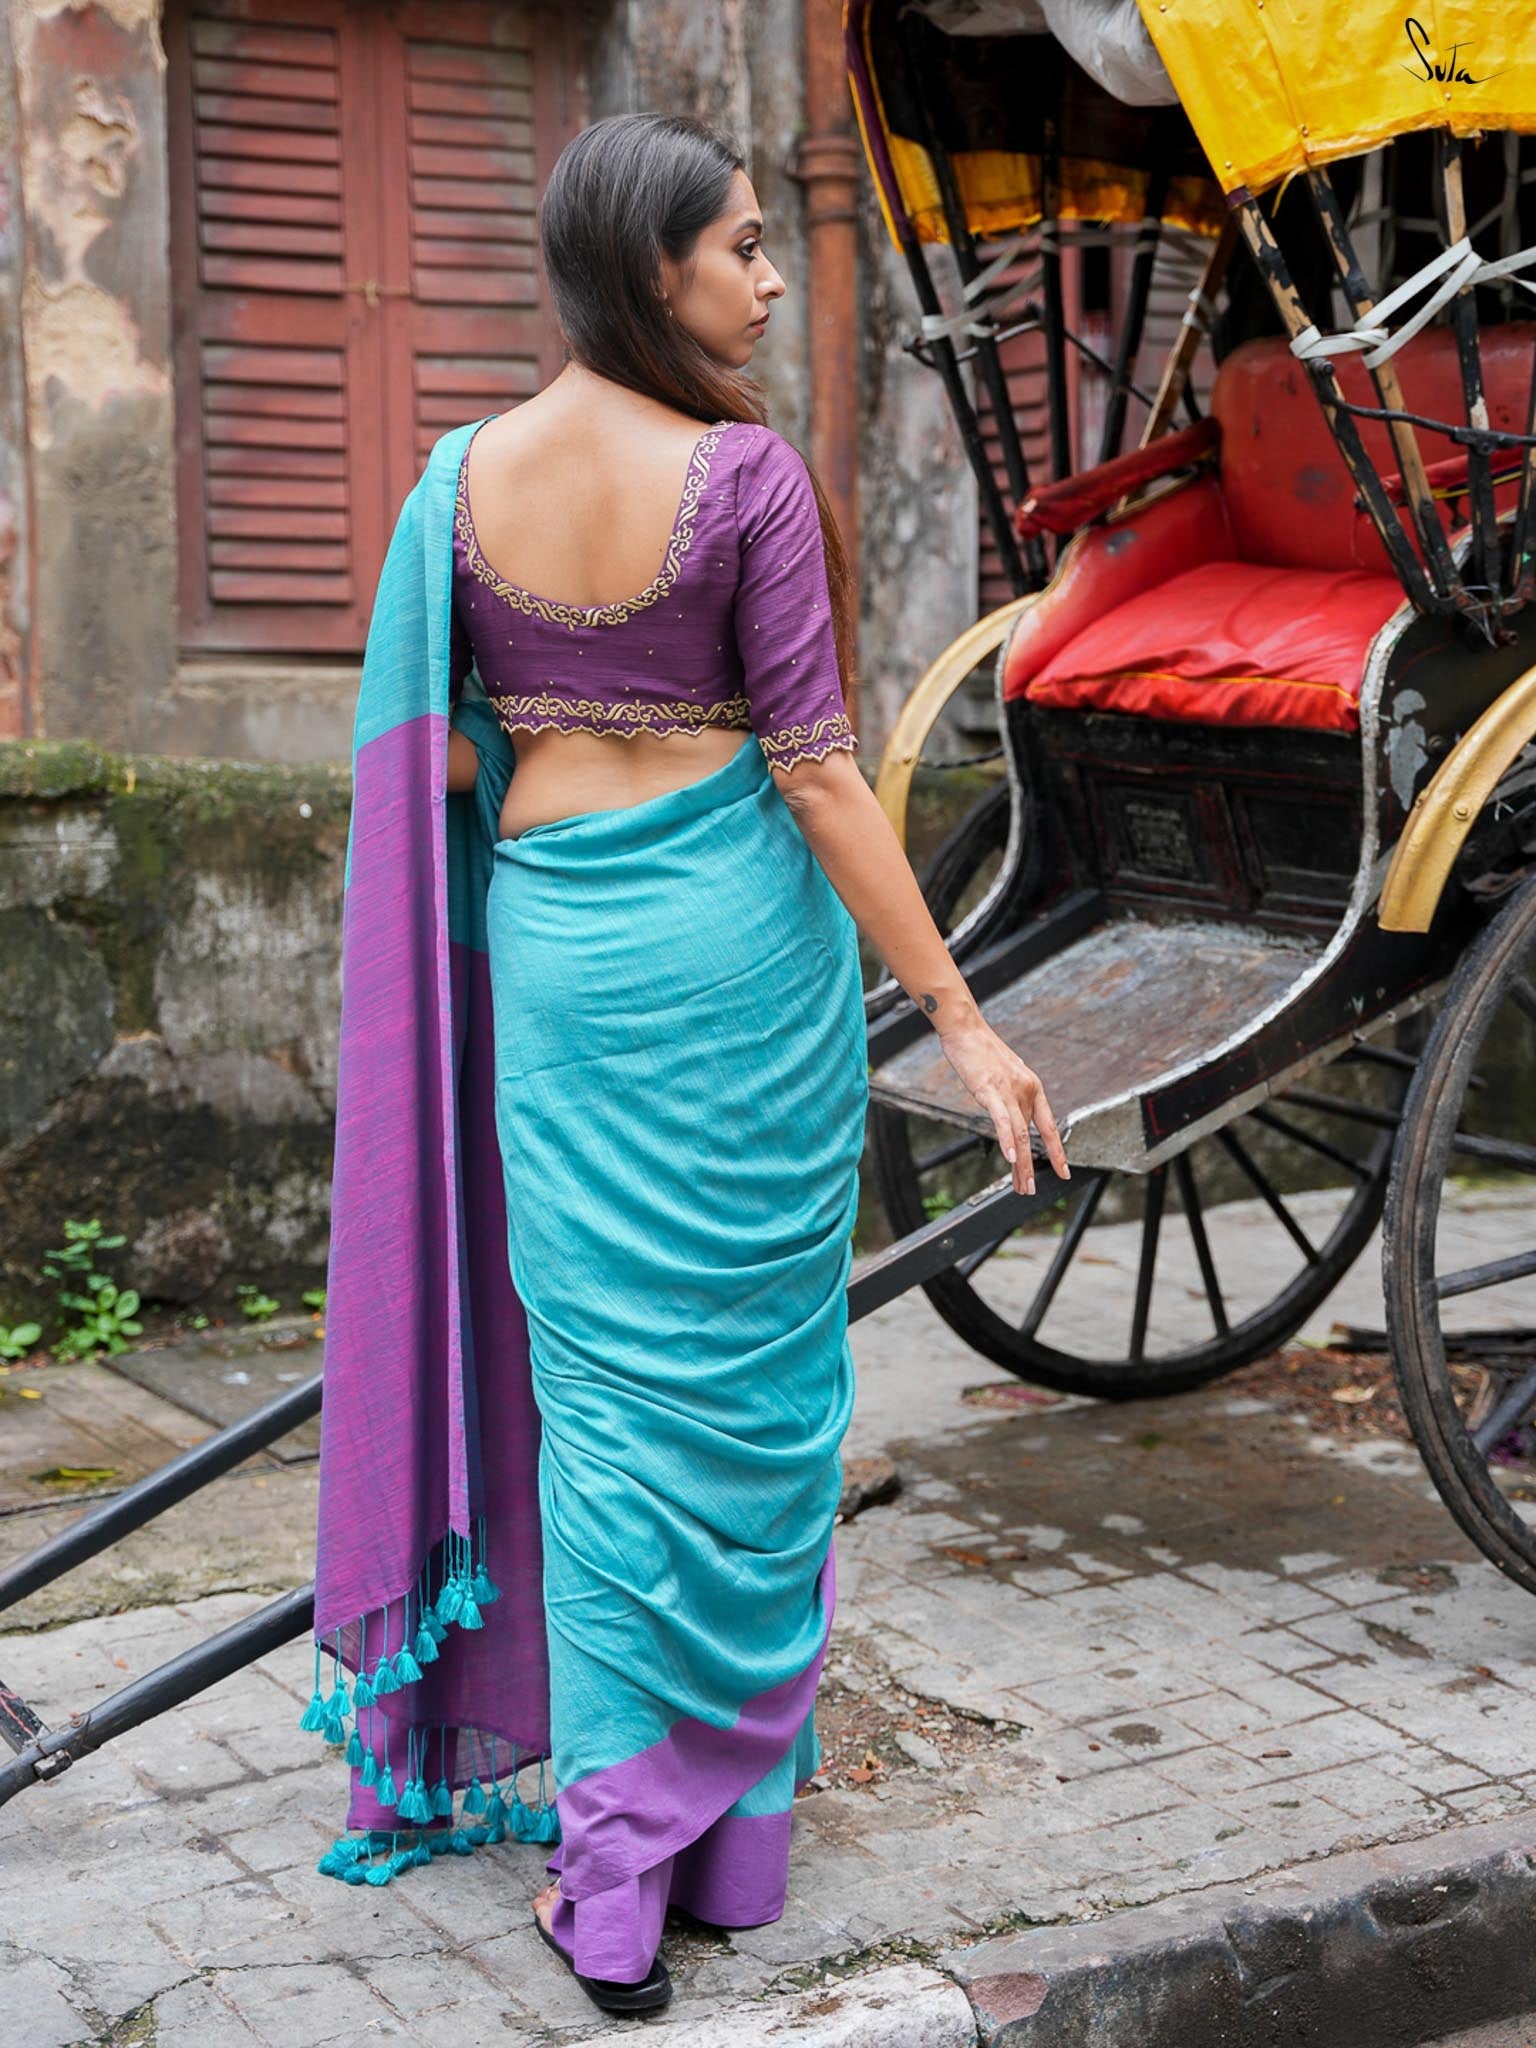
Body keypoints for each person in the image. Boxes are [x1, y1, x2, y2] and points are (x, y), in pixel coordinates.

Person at [303, 110, 1065, 2020]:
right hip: (741, 978)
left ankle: (616, 1886)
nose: (771, 275)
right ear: (653, 268)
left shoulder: (459, 483)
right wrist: (961, 1017)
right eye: (740, 245)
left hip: (567, 970)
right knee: (759, 1401)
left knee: (605, 1420)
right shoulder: (745, 478)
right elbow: (818, 773)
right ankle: (731, 1855)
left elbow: (434, 753)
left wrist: (551, 739)